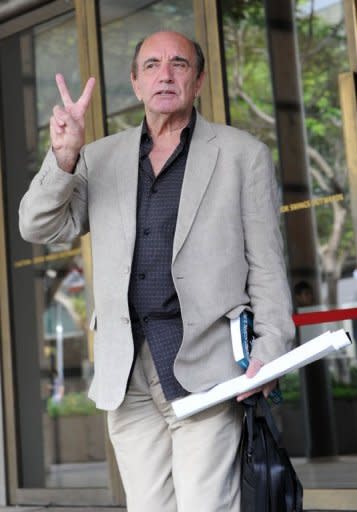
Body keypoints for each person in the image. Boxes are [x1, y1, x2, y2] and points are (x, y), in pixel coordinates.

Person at [19, 31, 295, 511]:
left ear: (199, 79)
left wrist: (270, 350)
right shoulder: (98, 158)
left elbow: (267, 266)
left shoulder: (241, 155)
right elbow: (38, 226)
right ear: (135, 82)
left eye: (179, 64)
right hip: (125, 373)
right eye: (151, 65)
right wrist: (64, 156)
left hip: (207, 367)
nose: (164, 74)